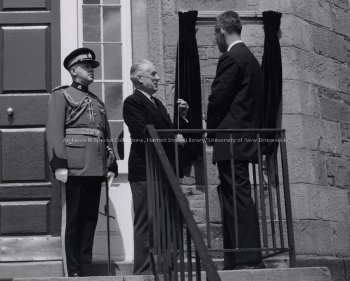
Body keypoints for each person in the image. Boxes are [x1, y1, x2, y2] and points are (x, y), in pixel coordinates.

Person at [46, 48, 118, 277]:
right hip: (74, 166)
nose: (91, 70)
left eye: (92, 67)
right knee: (74, 221)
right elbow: (55, 131)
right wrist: (59, 163)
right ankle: (74, 270)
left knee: (89, 221)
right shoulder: (62, 95)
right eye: (86, 66)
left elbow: (104, 134)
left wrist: (111, 164)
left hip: (96, 166)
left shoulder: (97, 101)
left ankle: (86, 269)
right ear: (73, 70)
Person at [206, 11, 264, 270]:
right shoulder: (252, 59)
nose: (215, 41)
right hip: (245, 138)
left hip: (231, 139)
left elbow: (218, 97)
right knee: (235, 196)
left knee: (237, 197)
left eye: (215, 35)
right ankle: (235, 258)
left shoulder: (231, 57)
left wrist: (210, 131)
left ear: (221, 30)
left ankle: (248, 259)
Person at [123, 60, 188, 275]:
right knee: (146, 221)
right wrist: (172, 136)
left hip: (164, 169)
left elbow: (168, 131)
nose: (158, 77)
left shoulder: (157, 103)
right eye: (153, 74)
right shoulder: (132, 102)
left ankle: (166, 269)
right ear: (139, 78)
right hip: (145, 170)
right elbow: (143, 132)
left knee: (169, 219)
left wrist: (182, 118)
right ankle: (143, 270)